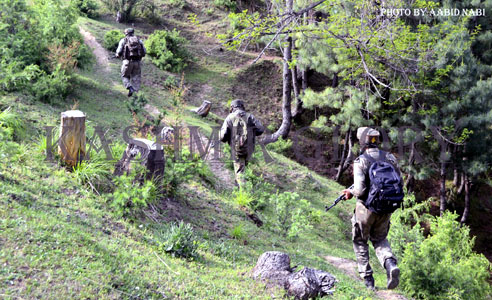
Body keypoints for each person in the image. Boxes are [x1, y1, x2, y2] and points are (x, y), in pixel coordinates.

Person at [340, 127, 400, 291]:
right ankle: (390, 264)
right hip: (386, 207)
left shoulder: (361, 160)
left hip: (366, 208)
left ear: (361, 141)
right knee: (380, 239)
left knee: (360, 240)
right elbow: (398, 180)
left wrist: (350, 192)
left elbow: (359, 190)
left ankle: (368, 280)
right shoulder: (390, 158)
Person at [219, 99, 264, 187]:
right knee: (243, 168)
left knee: (240, 170)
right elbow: (261, 129)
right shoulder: (250, 116)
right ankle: (240, 189)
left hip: (237, 149)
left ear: (232, 107)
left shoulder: (230, 117)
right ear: (242, 106)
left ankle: (243, 193)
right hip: (249, 148)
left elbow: (223, 136)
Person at [115, 28, 146, 97]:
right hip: (137, 62)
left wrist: (117, 55)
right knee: (136, 78)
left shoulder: (123, 40)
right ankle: (135, 95)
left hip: (127, 62)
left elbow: (119, 52)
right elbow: (144, 51)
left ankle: (129, 87)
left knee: (124, 76)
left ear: (126, 33)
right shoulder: (139, 41)